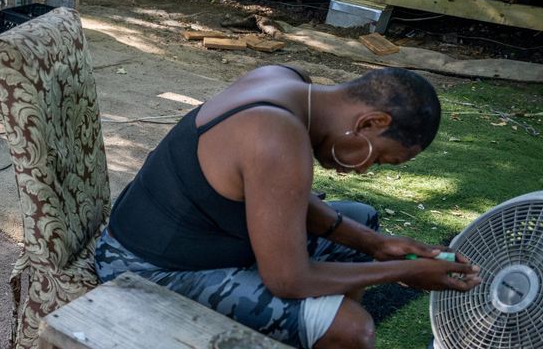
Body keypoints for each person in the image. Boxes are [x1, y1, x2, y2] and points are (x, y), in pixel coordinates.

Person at [96, 66, 482, 349]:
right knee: (352, 330)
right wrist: (405, 271)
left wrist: (376, 245)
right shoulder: (277, 137)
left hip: (200, 240)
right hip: (145, 270)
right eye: (377, 158)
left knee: (362, 220)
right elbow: (288, 280)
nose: (363, 168)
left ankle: (308, 335)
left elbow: (276, 197)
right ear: (369, 123)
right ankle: (323, 334)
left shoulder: (286, 80)